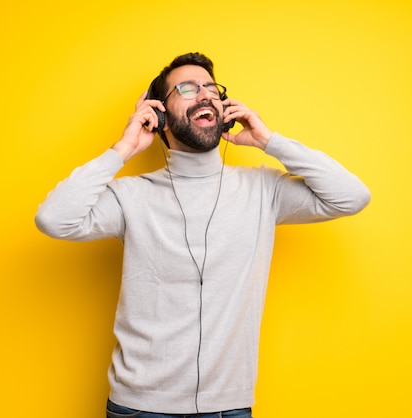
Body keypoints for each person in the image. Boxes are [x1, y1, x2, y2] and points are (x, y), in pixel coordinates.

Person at [35, 52, 371, 418]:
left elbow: (351, 196)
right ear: (158, 114)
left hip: (227, 409)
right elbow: (55, 219)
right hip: (139, 407)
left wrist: (268, 140)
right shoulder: (131, 196)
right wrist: (125, 147)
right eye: (188, 88)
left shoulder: (263, 190)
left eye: (212, 88)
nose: (206, 95)